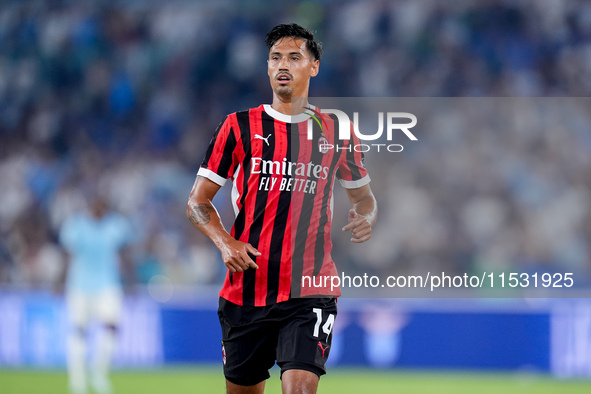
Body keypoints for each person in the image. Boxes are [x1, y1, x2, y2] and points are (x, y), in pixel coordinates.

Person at [187, 23, 377, 394]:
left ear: (314, 66)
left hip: (310, 287)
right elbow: (197, 202)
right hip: (247, 289)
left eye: (294, 56)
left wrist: (366, 216)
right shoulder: (238, 126)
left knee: (300, 390)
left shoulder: (336, 129)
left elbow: (364, 197)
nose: (282, 65)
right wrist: (225, 241)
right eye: (275, 58)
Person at [58, 194, 134, 394]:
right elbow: (67, 254)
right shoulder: (76, 225)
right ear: (90, 206)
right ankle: (77, 381)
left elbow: (125, 252)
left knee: (111, 328)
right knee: (78, 331)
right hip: (79, 285)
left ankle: (99, 374)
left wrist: (130, 279)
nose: (100, 208)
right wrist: (58, 280)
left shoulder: (116, 225)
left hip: (108, 284)